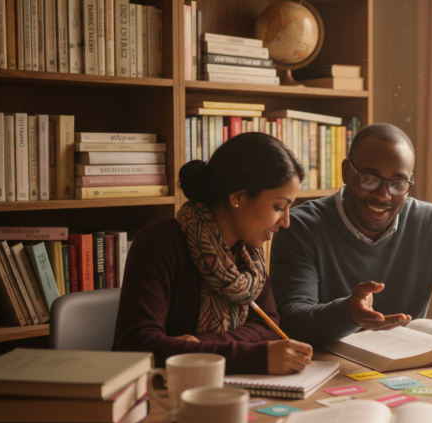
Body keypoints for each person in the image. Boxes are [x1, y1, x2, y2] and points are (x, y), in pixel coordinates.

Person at [270, 123, 432, 346]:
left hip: (408, 367)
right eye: (369, 179)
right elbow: (291, 322)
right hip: (327, 369)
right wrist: (349, 313)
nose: (383, 195)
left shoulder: (431, 224)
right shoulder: (300, 227)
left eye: (398, 184)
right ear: (346, 172)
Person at [113, 132, 314, 374]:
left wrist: (203, 347)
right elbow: (137, 346)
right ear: (237, 197)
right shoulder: (159, 243)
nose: (286, 222)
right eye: (278, 207)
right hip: (156, 394)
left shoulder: (251, 257)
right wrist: (253, 356)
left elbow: (268, 326)